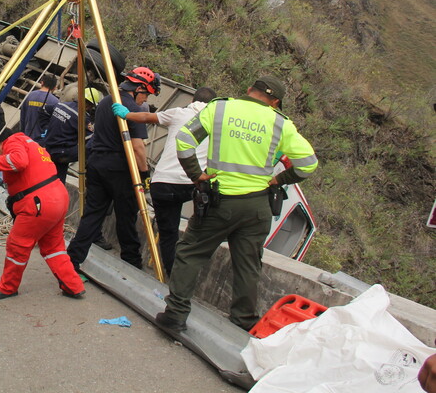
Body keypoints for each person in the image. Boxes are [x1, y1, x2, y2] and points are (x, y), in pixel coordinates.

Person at [157, 75, 318, 333]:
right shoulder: (281, 124)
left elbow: (185, 140)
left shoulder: (220, 108)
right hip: (256, 208)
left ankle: (175, 314)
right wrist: (278, 180)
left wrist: (195, 174)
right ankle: (243, 321)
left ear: (248, 89)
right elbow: (309, 164)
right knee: (248, 264)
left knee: (190, 254)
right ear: (275, 102)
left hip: (218, 201)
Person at [112, 86, 217, 276]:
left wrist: (126, 115)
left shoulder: (179, 113)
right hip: (191, 184)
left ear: (193, 100)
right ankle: (182, 272)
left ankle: (169, 272)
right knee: (195, 227)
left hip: (164, 182)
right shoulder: (216, 124)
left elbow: (146, 118)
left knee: (168, 232)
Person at [66, 67, 161, 271]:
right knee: (126, 217)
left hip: (97, 163)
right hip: (120, 168)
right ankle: (132, 263)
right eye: (145, 94)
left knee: (92, 215)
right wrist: (144, 174)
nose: (144, 100)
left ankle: (72, 259)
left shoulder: (106, 102)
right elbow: (138, 148)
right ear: (138, 88)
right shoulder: (133, 111)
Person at [0, 129, 86, 300]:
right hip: (57, 196)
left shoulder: (12, 142)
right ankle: (73, 285)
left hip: (39, 203)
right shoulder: (30, 143)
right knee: (54, 247)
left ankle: (7, 287)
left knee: (17, 245)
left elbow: (18, 162)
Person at [43, 87, 103, 181]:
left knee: (44, 176)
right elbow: (91, 140)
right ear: (89, 105)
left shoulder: (62, 105)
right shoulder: (82, 118)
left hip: (48, 148)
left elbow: (44, 110)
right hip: (61, 155)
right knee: (57, 181)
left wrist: (46, 130)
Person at [18, 74, 58, 146]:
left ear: (42, 83)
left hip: (26, 137)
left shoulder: (30, 95)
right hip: (42, 141)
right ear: (55, 87)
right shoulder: (55, 102)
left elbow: (22, 117)